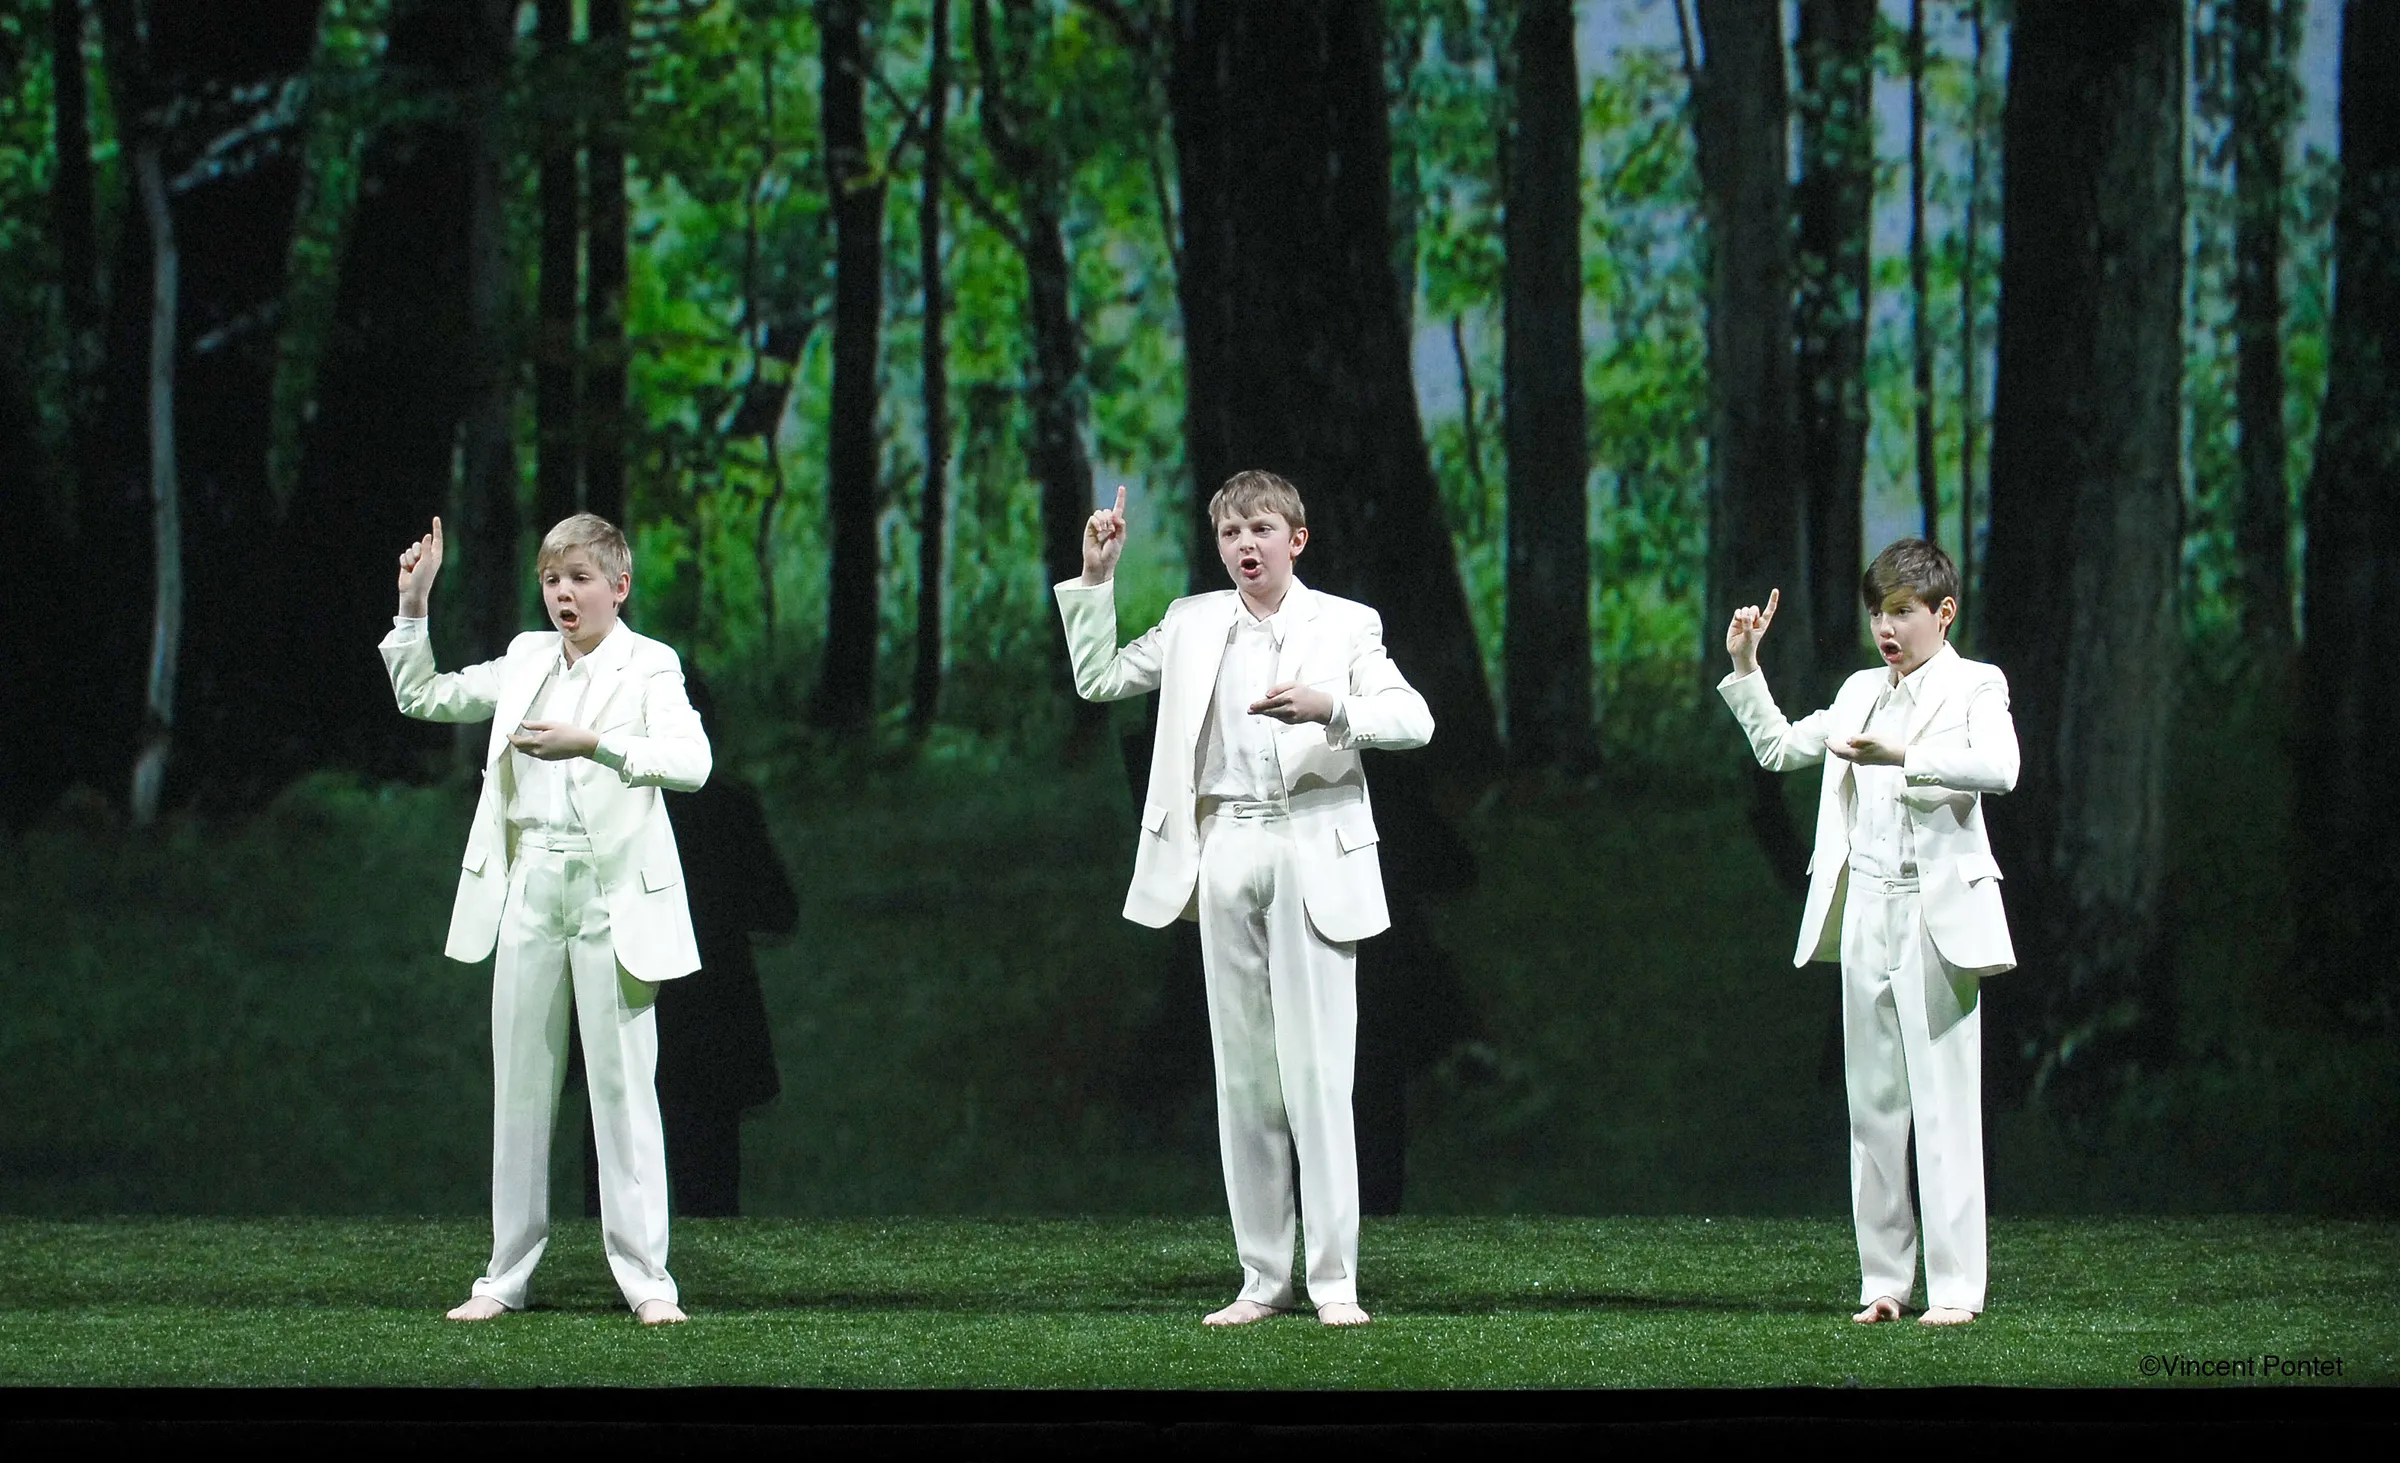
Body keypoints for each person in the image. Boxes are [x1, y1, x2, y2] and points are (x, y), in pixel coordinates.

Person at [1056, 471, 1433, 1327]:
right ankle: (1263, 1276)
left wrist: (1331, 707)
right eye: (1230, 533)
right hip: (1225, 843)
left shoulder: (1345, 623)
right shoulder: (1193, 621)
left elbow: (1414, 719)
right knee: (1245, 1077)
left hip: (1310, 846)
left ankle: (1334, 1280)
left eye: (1260, 528)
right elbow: (1100, 679)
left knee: (1318, 1074)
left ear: (1295, 539)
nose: (1244, 545)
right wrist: (1097, 579)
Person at [380, 513, 709, 1325]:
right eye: (553, 579)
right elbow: (426, 695)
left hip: (610, 890)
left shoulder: (649, 664)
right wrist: (414, 606)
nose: (564, 594)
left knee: (622, 1089)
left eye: (580, 579)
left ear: (618, 586)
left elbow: (692, 762)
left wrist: (595, 744)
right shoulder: (529, 657)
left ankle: (647, 1278)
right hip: (531, 883)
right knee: (521, 1087)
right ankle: (505, 1274)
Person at [1717, 538, 2018, 1327]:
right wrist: (1747, 666)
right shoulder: (1858, 692)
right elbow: (1779, 747)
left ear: (1944, 613)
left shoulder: (1975, 684)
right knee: (1875, 1105)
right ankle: (1884, 1280)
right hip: (1867, 908)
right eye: (1878, 612)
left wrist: (1907, 755)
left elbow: (2001, 766)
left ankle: (1955, 1289)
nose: (1886, 627)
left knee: (1944, 1103)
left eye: (1902, 612)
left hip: (1935, 911)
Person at [580, 670, 798, 1220]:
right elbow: (778, 914)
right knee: (710, 1195)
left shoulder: (598, 810)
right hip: (711, 1027)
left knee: (613, 1202)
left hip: (624, 1017)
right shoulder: (729, 808)